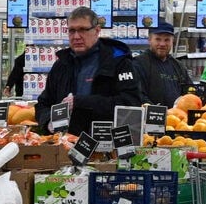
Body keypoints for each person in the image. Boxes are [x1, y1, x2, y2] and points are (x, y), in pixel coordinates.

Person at [34, 7, 143, 135]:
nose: (76, 36)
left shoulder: (118, 62)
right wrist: (48, 122)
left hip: (105, 142)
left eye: (82, 30)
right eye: (71, 31)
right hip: (65, 143)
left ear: (97, 31)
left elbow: (130, 103)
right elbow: (43, 103)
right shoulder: (61, 65)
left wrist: (81, 102)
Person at [132, 23, 193, 107]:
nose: (162, 44)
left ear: (172, 41)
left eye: (167, 40)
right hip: (150, 117)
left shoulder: (179, 66)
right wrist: (156, 112)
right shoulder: (138, 64)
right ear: (149, 40)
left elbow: (189, 94)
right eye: (158, 39)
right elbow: (138, 95)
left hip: (177, 117)